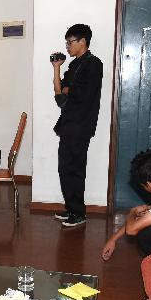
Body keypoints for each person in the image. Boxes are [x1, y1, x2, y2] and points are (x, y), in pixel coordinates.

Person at [51, 23, 103, 228]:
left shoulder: (93, 64)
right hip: (68, 124)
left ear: (83, 41)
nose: (68, 46)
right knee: (65, 168)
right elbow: (60, 95)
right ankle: (72, 209)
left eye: (70, 42)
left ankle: (79, 213)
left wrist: (67, 91)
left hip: (80, 125)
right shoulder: (73, 65)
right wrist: (57, 68)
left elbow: (81, 95)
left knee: (75, 169)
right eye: (67, 43)